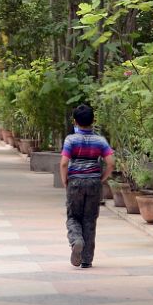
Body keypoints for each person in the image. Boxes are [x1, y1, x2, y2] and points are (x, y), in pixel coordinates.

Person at [59, 104, 114, 268]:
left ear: (75, 121)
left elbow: (63, 163)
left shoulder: (71, 140)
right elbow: (111, 162)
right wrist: (102, 178)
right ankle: (86, 260)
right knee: (90, 220)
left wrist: (65, 181)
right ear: (93, 121)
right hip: (94, 183)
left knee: (73, 217)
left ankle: (76, 240)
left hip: (75, 182)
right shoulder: (100, 141)